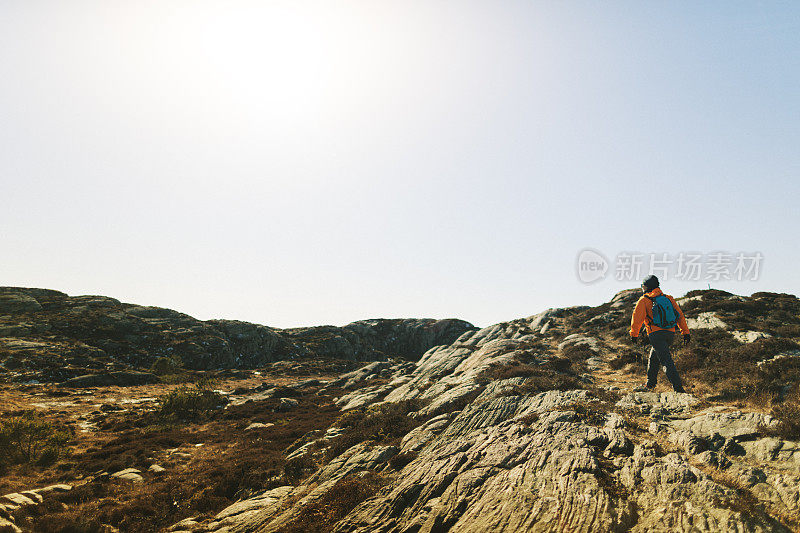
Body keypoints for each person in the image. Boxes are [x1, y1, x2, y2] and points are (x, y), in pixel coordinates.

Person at [630, 275, 690, 393]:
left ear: (646, 287)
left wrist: (634, 334)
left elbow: (637, 318)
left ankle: (678, 389)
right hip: (670, 334)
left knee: (666, 361)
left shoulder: (644, 300)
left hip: (656, 334)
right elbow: (680, 316)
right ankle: (650, 384)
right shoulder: (668, 298)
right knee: (654, 357)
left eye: (642, 286)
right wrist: (685, 332)